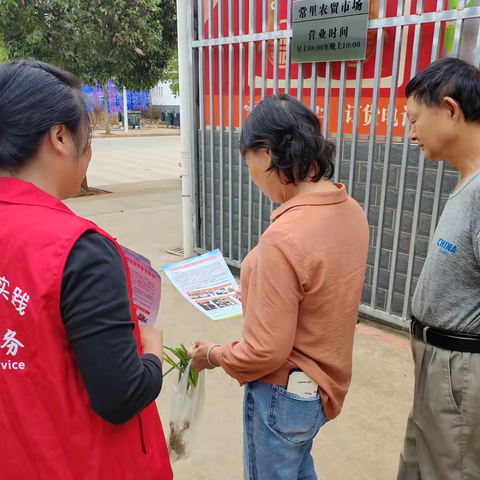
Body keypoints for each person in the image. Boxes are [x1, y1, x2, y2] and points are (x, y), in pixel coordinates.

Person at [0, 61, 172, 479]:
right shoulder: (79, 249)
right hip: (84, 463)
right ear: (60, 137)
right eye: (87, 138)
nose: (89, 153)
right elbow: (121, 395)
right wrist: (152, 350)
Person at [189, 94, 369, 479]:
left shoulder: (284, 238)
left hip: (280, 398)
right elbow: (322, 291)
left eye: (248, 161)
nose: (250, 174)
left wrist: (215, 354)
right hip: (321, 392)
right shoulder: (351, 211)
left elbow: (265, 352)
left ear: (267, 153)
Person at [398, 57, 480, 479]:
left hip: (460, 371)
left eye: (414, 119)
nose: (410, 132)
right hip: (438, 364)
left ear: (450, 110)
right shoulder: (468, 182)